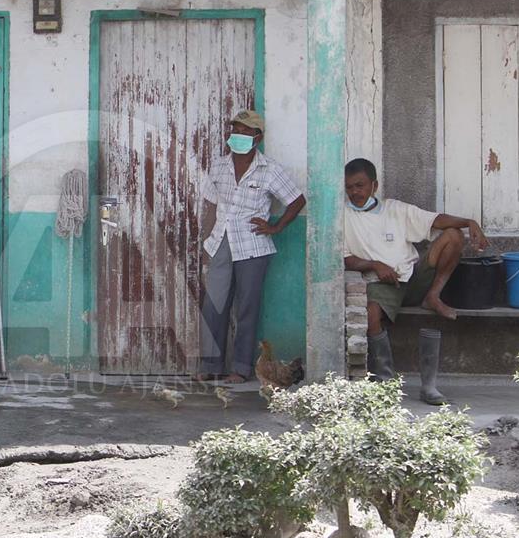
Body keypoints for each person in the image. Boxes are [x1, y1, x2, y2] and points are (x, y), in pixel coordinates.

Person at [342, 158, 489, 404]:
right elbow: (346, 259)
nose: (355, 192)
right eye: (349, 187)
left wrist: (469, 222)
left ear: (374, 185)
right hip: (382, 284)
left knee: (453, 235)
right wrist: (375, 265)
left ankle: (433, 296)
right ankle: (386, 382)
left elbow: (436, 220)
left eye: (360, 185)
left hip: (412, 276)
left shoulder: (395, 209)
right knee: (370, 315)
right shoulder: (343, 217)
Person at [197, 109, 306, 383]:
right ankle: (211, 366)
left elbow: (297, 200)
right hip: (221, 241)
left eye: (245, 131)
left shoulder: (270, 169)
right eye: (235, 129)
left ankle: (241, 368)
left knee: (247, 307)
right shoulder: (219, 166)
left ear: (258, 138)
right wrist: (205, 242)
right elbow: (210, 205)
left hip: (253, 245)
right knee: (214, 305)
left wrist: (275, 227)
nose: (238, 134)